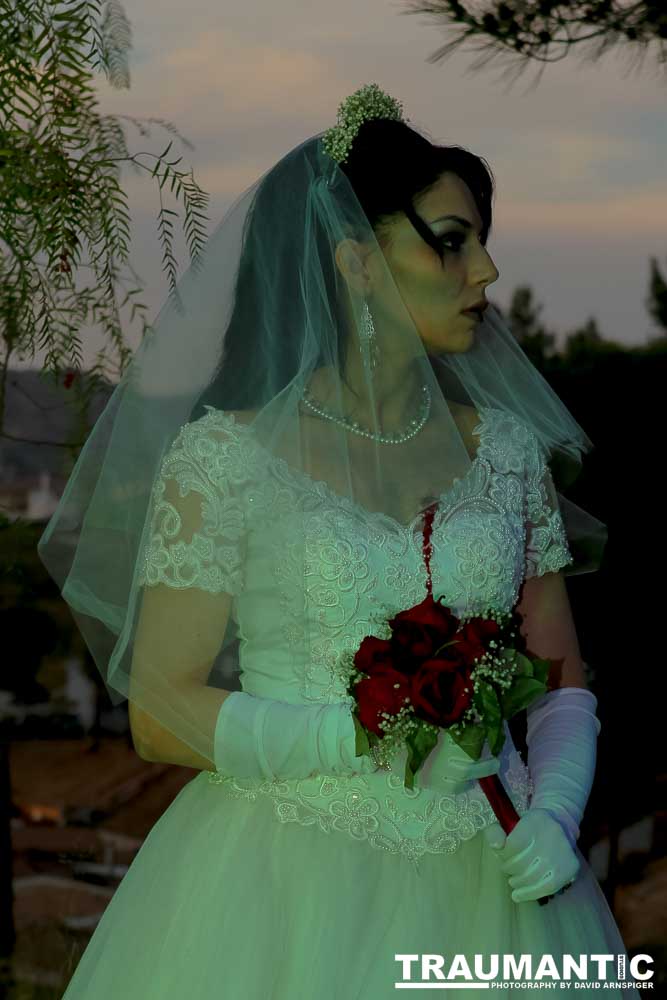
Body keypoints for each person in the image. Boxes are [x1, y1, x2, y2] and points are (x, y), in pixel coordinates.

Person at [38, 84, 639, 998]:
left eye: (480, 241)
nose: (482, 272)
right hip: (283, 881)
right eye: (449, 241)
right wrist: (358, 737)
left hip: (496, 875)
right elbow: (160, 710)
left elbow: (559, 675)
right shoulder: (226, 458)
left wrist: (554, 811)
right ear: (356, 262)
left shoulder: (507, 453)